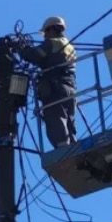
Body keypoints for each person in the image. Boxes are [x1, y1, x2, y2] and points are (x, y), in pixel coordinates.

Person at [16, 15, 78, 148]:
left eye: (45, 33)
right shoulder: (70, 46)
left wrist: (20, 48)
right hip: (70, 89)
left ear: (51, 30)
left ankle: (63, 150)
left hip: (55, 88)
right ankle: (73, 146)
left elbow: (33, 55)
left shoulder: (52, 43)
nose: (44, 36)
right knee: (69, 121)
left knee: (56, 119)